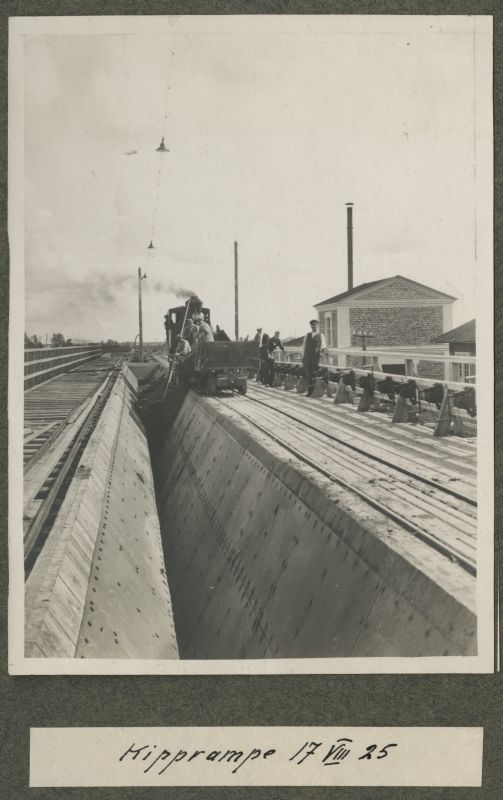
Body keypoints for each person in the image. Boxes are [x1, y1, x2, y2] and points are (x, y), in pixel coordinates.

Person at [302, 319, 327, 396]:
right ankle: (309, 391)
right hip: (307, 357)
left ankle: (314, 391)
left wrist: (323, 349)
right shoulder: (307, 335)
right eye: (312, 325)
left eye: (315, 325)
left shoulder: (320, 335)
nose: (313, 326)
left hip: (315, 357)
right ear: (311, 326)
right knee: (308, 374)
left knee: (314, 373)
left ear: (317, 326)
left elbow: (323, 345)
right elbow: (304, 346)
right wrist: (304, 356)